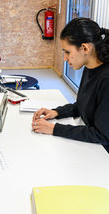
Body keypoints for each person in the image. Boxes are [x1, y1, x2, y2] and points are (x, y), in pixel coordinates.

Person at [32, 18, 109, 153]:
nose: (65, 58)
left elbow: (101, 135)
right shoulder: (89, 67)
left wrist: (54, 129)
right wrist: (57, 112)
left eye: (67, 52)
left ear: (85, 48)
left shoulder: (106, 79)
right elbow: (82, 105)